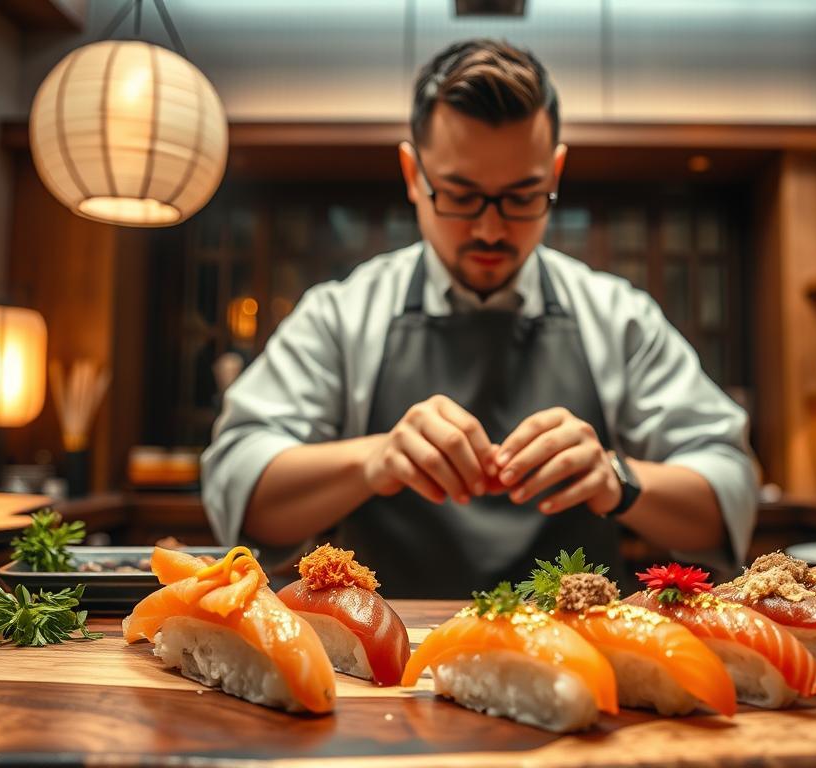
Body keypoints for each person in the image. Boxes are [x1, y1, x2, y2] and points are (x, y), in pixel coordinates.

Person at [201, 38, 757, 597]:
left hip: (584, 660)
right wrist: (374, 458)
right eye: (462, 195)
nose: (491, 229)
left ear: (555, 173)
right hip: (385, 666)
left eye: (522, 196)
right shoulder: (343, 314)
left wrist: (618, 479)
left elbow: (729, 488)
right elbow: (238, 485)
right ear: (413, 173)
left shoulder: (616, 316)